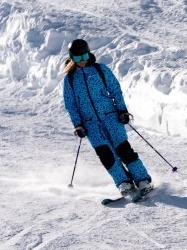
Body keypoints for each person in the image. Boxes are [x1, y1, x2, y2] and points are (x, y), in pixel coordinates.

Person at [62, 39, 153, 199]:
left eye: (84, 56)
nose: (82, 61)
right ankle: (124, 183)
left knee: (123, 150)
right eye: (77, 58)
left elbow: (115, 91)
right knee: (106, 155)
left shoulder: (100, 70)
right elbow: (71, 105)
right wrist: (78, 125)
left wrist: (122, 110)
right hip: (91, 125)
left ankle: (142, 180)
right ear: (72, 59)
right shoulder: (69, 79)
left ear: (89, 53)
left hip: (111, 118)